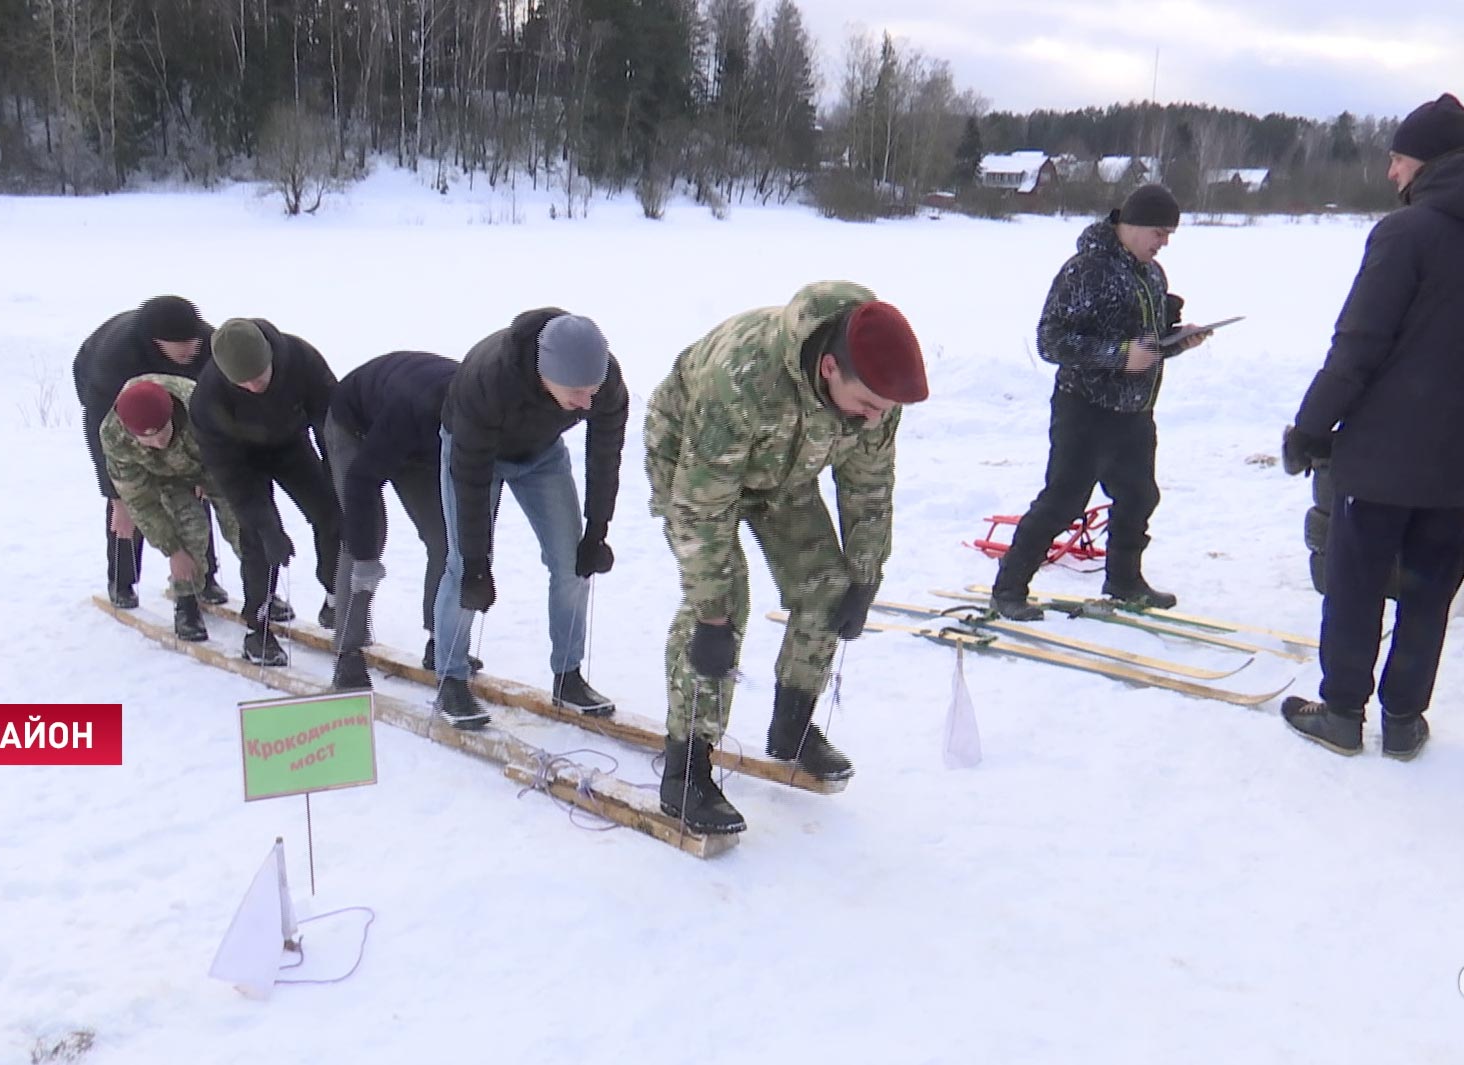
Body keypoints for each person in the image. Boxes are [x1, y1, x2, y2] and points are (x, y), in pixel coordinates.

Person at [1280, 92, 1464, 760]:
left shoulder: (1406, 232)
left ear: (1425, 160)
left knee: (1356, 583)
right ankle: (1404, 719)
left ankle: (1342, 711)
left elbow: (1359, 343)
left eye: (1398, 159)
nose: (1391, 174)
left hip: (1381, 451)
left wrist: (1310, 426)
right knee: (1430, 590)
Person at [644, 282, 929, 834]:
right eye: (869, 406)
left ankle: (792, 728)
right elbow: (702, 505)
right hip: (694, 465)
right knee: (725, 607)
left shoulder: (873, 393)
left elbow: (869, 486)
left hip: (783, 470)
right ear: (828, 368)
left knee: (828, 586)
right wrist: (711, 614)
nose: (875, 420)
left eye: (885, 411)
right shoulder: (745, 377)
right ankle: (686, 771)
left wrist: (866, 576)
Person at [989, 183, 1211, 622]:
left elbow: (1147, 345)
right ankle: (1008, 588)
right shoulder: (1086, 270)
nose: (1163, 242)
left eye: (1168, 235)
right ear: (1131, 225)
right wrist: (1118, 356)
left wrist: (1180, 341)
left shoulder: (1152, 274)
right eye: (1159, 232)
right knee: (1063, 502)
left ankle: (1124, 580)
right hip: (1085, 409)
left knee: (1139, 496)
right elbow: (1051, 340)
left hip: (1135, 410)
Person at [430, 311, 627, 730]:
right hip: (474, 456)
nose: (587, 403)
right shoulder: (488, 380)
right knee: (462, 568)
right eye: (576, 392)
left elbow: (605, 457)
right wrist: (478, 564)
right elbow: (468, 481)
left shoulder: (605, 384)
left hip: (541, 455)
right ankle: (451, 677)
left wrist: (597, 532)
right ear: (544, 373)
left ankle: (568, 676)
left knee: (573, 563)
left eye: (593, 390)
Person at [322, 350, 482, 691]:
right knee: (364, 536)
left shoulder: (482, 413)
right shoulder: (413, 409)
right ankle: (347, 652)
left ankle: (440, 638)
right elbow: (361, 482)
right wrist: (366, 560)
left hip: (419, 442)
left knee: (445, 537)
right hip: (356, 428)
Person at [192, 317, 345, 667]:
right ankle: (257, 629)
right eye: (242, 382)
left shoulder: (301, 359)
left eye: (259, 376)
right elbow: (230, 475)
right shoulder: (209, 397)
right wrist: (266, 527)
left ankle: (335, 599)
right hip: (241, 460)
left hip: (290, 445)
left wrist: (336, 473)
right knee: (259, 541)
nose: (252, 385)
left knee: (331, 515)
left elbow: (330, 422)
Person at [73, 295, 232, 612]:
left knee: (193, 487)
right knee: (132, 494)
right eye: (182, 344)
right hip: (102, 387)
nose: (192, 349)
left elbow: (216, 410)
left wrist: (205, 467)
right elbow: (101, 434)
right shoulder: (116, 358)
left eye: (195, 340)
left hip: (175, 407)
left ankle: (204, 576)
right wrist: (116, 497)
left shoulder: (206, 347)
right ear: (157, 342)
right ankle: (122, 580)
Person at [101, 375, 245, 643]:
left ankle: (262, 596)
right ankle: (187, 602)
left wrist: (211, 475)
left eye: (162, 433)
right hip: (163, 477)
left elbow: (235, 453)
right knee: (190, 528)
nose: (157, 443)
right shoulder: (114, 435)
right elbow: (140, 501)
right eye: (148, 439)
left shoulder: (200, 407)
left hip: (216, 466)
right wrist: (173, 550)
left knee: (243, 527)